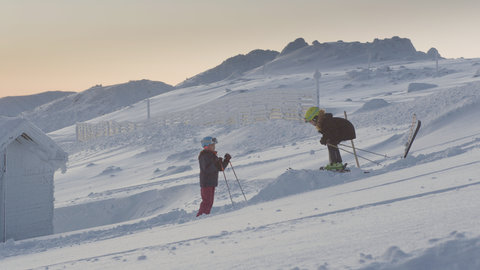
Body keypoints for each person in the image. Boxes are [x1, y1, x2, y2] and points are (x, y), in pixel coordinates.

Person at [197, 136, 231, 217]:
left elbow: (220, 168)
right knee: (207, 201)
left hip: (211, 182)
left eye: (214, 145)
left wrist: (226, 160)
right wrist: (216, 163)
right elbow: (207, 169)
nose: (214, 147)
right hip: (206, 182)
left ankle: (205, 216)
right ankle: (201, 216)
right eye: (212, 145)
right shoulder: (204, 156)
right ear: (206, 146)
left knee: (210, 202)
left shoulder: (212, 155)